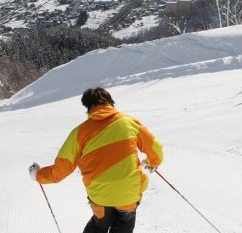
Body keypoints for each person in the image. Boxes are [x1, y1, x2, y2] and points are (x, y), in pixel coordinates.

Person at [29, 87, 163, 233]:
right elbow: (155, 148)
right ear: (111, 103)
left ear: (88, 107)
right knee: (124, 223)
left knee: (99, 224)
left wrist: (39, 175)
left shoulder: (79, 133)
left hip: (100, 195)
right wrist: (152, 163)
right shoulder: (129, 123)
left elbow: (61, 169)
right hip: (128, 193)